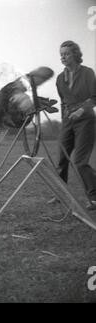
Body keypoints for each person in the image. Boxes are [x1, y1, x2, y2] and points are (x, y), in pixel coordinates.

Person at [54, 40, 96, 210]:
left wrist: (81, 110)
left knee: (79, 161)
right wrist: (64, 114)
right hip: (68, 121)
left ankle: (94, 197)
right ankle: (61, 194)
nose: (62, 57)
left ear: (76, 54)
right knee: (61, 159)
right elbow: (63, 101)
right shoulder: (59, 78)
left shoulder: (87, 73)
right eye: (61, 54)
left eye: (66, 53)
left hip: (86, 121)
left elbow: (94, 97)